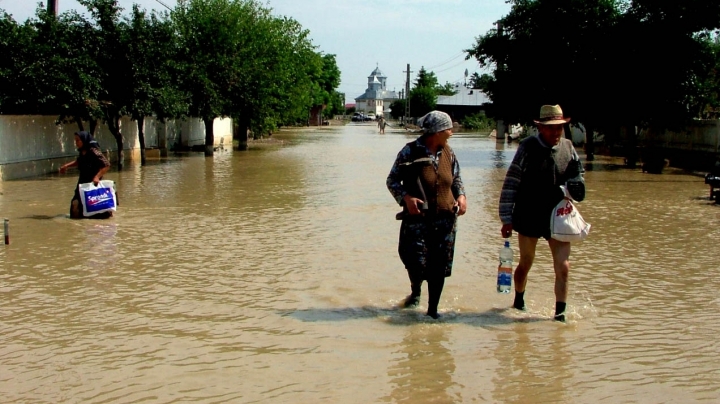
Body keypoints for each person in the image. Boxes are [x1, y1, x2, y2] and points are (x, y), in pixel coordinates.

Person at [498, 105, 585, 322]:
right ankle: (519, 301)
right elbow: (511, 182)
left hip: (558, 216)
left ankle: (560, 315)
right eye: (551, 128)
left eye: (560, 128)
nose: (556, 133)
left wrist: (577, 183)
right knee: (526, 261)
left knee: (563, 267)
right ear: (541, 128)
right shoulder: (527, 147)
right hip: (529, 214)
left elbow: (578, 176)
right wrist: (506, 218)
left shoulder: (568, 146)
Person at [387, 111, 467, 319]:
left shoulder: (448, 152)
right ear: (437, 131)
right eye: (449, 128)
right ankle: (415, 291)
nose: (451, 132)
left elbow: (456, 179)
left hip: (446, 220)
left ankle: (432, 311)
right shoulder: (410, 152)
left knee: (439, 267)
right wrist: (406, 198)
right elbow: (392, 180)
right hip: (417, 221)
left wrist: (461, 197)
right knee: (416, 263)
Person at [59, 131, 112, 219]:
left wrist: (97, 176)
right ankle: (77, 227)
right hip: (82, 183)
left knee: (96, 208)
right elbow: (79, 161)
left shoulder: (93, 151)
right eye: (75, 140)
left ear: (84, 140)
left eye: (78, 140)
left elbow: (106, 165)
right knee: (75, 205)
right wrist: (66, 166)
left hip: (92, 183)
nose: (76, 143)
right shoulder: (82, 151)